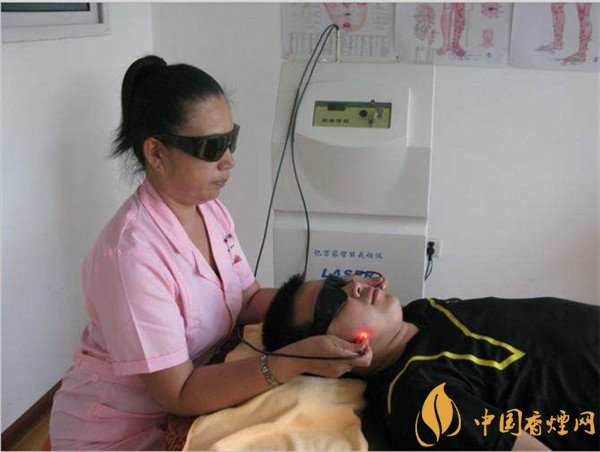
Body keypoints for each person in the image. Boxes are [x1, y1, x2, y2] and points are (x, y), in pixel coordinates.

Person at [49, 56, 373, 450]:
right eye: (211, 147)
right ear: (156, 152)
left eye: (231, 139)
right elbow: (178, 392)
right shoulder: (130, 258)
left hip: (186, 409)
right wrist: (293, 360)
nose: (229, 160)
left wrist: (331, 299)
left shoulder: (209, 210)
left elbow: (247, 299)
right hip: (114, 433)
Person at [262, 273, 600, 450]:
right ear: (326, 351)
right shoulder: (416, 394)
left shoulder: (419, 313)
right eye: (332, 301)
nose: (355, 286)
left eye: (340, 281)